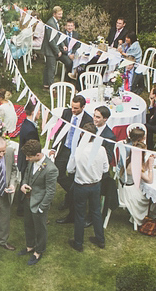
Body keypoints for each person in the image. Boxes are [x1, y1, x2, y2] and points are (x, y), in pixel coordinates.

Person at [67, 122, 109, 251]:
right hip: (96, 185)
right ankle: (100, 240)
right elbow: (106, 168)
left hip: (81, 186)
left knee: (80, 215)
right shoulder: (101, 149)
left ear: (81, 134)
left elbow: (70, 169)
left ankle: (78, 243)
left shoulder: (78, 151)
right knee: (96, 212)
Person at [51, 95, 90, 224]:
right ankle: (73, 194)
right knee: (57, 173)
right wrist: (54, 147)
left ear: (83, 107)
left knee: (74, 176)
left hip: (77, 151)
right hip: (65, 148)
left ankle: (71, 199)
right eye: (72, 107)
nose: (73, 110)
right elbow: (58, 130)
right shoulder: (66, 113)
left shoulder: (88, 120)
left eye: (76, 108)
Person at [19, 139, 57, 266]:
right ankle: (30, 245)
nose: (26, 159)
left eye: (29, 156)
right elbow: (26, 175)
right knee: (28, 224)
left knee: (40, 228)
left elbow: (50, 192)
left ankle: (39, 251)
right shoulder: (31, 161)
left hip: (39, 203)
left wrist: (42, 207)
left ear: (37, 155)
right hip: (28, 199)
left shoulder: (51, 169)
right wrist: (24, 184)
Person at [115, 126, 156, 229]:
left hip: (126, 183)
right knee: (151, 198)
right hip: (129, 192)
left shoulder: (132, 157)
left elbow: (142, 168)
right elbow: (149, 180)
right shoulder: (133, 164)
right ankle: (144, 218)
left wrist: (147, 161)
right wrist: (150, 167)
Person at [41, 6, 64, 89]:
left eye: (61, 14)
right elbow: (51, 40)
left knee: (48, 67)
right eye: (59, 14)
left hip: (51, 49)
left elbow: (58, 35)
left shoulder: (55, 22)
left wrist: (62, 45)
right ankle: (51, 86)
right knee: (51, 68)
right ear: (54, 14)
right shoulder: (50, 23)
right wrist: (57, 51)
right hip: (49, 50)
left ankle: (46, 84)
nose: (61, 16)